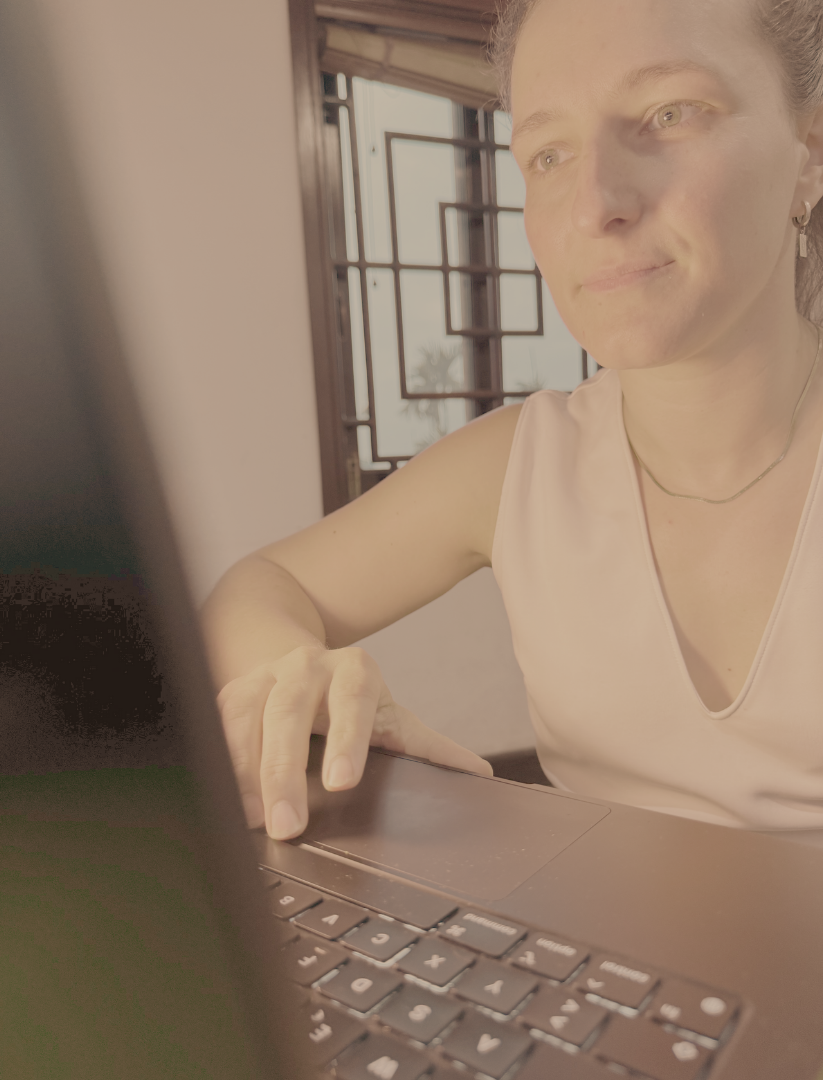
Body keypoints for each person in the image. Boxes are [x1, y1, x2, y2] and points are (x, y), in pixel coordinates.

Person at [201, 0, 823, 840]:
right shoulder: (520, 464)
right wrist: (299, 680)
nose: (592, 203)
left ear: (808, 151)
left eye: (667, 113)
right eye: (547, 153)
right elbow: (257, 588)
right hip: (590, 967)